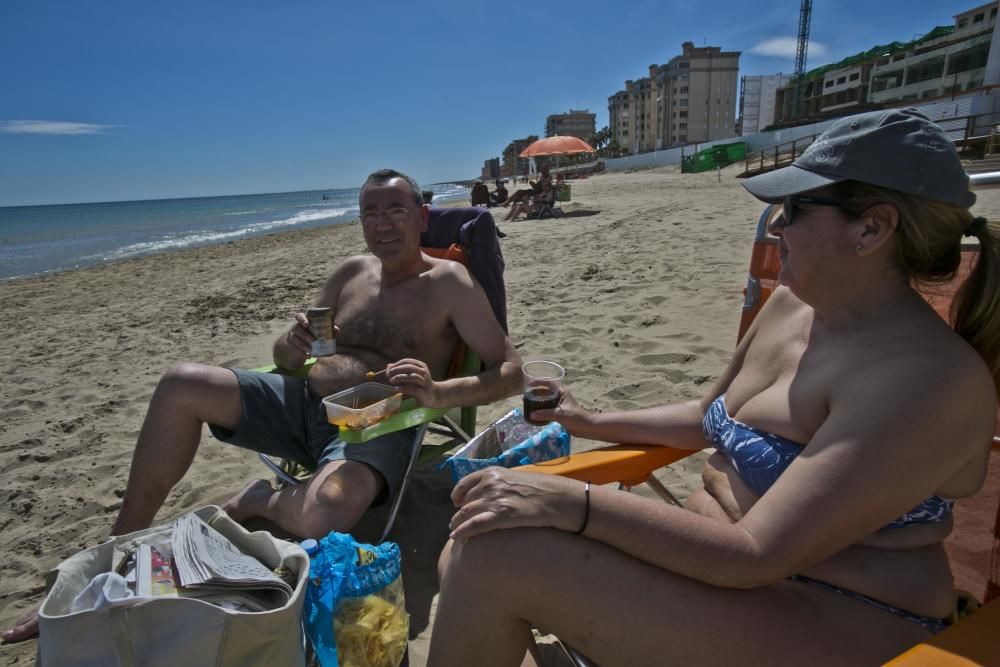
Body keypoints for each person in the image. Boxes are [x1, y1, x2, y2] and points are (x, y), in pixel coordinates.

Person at [427, 109, 1000, 665]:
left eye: (795, 207)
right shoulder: (793, 304)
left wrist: (571, 502)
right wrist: (588, 421)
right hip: (720, 576)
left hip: (838, 609)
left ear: (872, 228)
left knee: (492, 562)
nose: (776, 225)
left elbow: (756, 554)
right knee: (472, 542)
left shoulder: (925, 382)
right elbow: (711, 415)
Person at [3, 169, 523, 644]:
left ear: (421, 217)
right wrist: (289, 347)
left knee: (323, 514)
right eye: (371, 213)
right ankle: (116, 550)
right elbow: (291, 357)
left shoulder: (449, 284)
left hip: (376, 424)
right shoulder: (351, 272)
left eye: (396, 211)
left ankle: (259, 499)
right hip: (302, 400)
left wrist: (437, 394)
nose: (383, 224)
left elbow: (511, 371)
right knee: (180, 383)